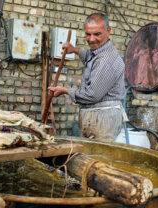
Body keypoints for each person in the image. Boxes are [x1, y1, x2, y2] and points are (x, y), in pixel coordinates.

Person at [48, 12, 127, 141]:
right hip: (96, 117)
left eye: (97, 34)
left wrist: (65, 90)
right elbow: (90, 57)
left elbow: (92, 95)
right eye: (88, 34)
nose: (91, 39)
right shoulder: (98, 52)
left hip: (103, 120)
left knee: (98, 158)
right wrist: (74, 50)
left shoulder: (106, 59)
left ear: (108, 31)